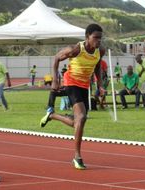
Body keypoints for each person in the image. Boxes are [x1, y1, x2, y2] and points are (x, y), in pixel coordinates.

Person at [40, 23, 105, 170]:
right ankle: (77, 157)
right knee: (81, 117)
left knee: (77, 122)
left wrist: (99, 85)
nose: (98, 41)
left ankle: (52, 116)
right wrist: (55, 80)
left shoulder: (100, 50)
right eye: (95, 37)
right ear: (87, 37)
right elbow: (56, 58)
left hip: (84, 85)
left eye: (100, 38)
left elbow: (97, 67)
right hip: (71, 82)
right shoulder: (76, 49)